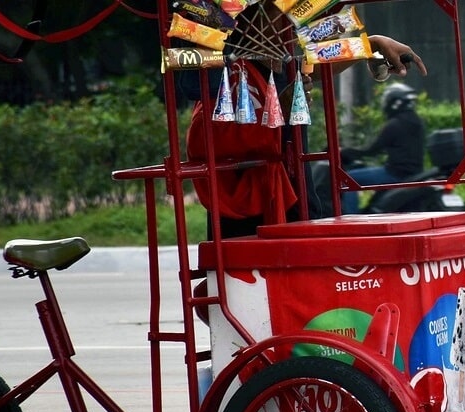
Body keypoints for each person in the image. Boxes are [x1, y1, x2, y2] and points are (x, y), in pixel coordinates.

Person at [180, 2, 427, 237]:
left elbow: (314, 66)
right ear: (247, 18)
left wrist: (371, 45)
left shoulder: (282, 64)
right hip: (254, 219)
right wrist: (281, 112)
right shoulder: (230, 78)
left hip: (296, 202)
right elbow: (220, 141)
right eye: (276, 11)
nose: (288, 21)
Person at [339, 82, 426, 214]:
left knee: (348, 178)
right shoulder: (417, 122)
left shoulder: (394, 124)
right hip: (414, 173)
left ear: (393, 102)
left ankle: (350, 218)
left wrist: (344, 152)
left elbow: (371, 150)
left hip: (395, 173)